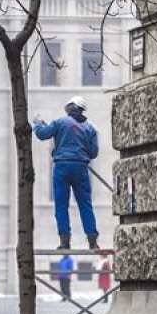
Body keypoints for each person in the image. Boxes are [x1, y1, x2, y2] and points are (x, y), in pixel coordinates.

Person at [33, 95, 100, 250]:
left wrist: (37, 123)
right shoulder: (90, 128)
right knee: (85, 204)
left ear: (70, 108)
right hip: (81, 168)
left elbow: (42, 134)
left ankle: (65, 241)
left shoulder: (60, 122)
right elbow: (94, 152)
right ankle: (92, 241)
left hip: (62, 167)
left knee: (61, 205)